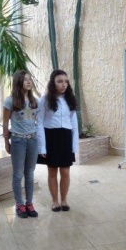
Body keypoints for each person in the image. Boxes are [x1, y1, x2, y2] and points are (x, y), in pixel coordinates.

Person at [37, 70, 79, 212]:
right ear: (52, 83)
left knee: (65, 172)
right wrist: (42, 147)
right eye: (60, 81)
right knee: (52, 172)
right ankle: (55, 201)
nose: (63, 84)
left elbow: (74, 123)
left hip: (66, 137)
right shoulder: (44, 100)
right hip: (51, 137)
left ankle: (64, 200)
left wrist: (74, 145)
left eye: (66, 81)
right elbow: (39, 123)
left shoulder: (70, 99)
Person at [3, 71, 40, 219]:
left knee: (30, 173)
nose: (29, 82)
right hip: (18, 141)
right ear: (18, 82)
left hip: (33, 140)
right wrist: (6, 142)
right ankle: (19, 204)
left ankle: (29, 203)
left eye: (30, 79)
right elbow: (5, 123)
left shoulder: (34, 101)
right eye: (25, 80)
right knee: (18, 174)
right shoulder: (10, 101)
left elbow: (36, 120)